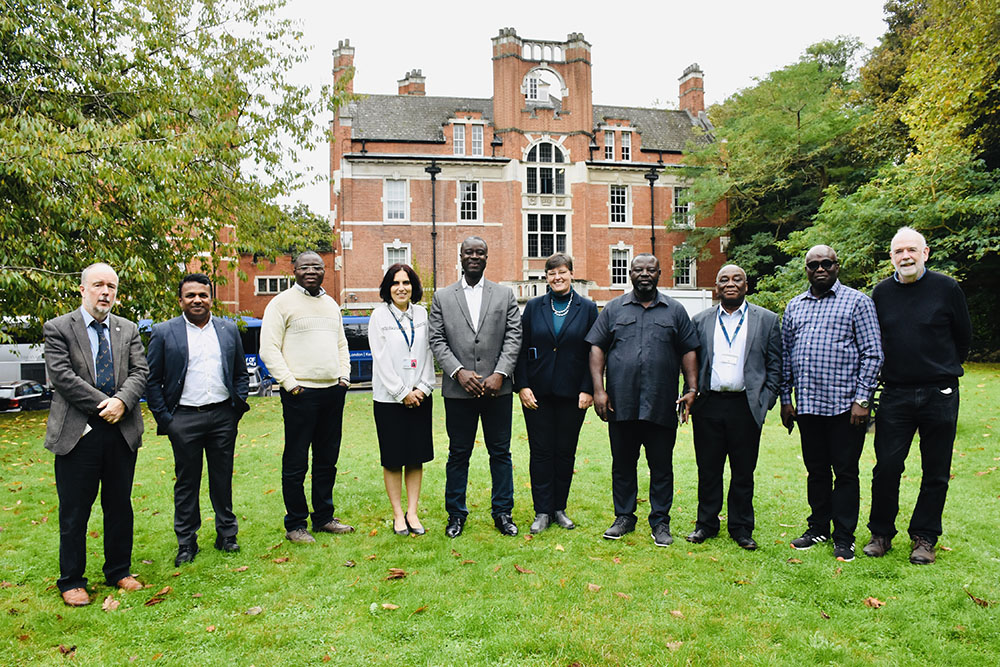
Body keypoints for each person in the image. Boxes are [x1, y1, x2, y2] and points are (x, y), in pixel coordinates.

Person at [863, 227, 972, 564]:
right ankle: (881, 534)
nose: (905, 257)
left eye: (912, 250)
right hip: (895, 394)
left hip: (939, 393)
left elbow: (963, 337)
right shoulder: (880, 294)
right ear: (891, 257)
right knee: (887, 467)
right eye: (899, 252)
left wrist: (942, 369)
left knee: (936, 470)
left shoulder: (946, 288)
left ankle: (924, 538)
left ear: (925, 253)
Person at [43, 263, 149, 606]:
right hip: (79, 433)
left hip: (121, 433)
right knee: (75, 511)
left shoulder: (128, 328)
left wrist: (123, 401)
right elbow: (62, 376)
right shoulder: (59, 328)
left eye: (112, 287)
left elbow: (140, 372)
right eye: (99, 285)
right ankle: (72, 579)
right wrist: (107, 403)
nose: (106, 292)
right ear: (83, 289)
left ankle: (119, 570)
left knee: (119, 506)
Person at [586, 253, 699, 547]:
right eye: (638, 269)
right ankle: (624, 517)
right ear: (630, 273)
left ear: (660, 273)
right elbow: (597, 348)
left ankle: (660, 522)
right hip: (620, 403)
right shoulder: (613, 310)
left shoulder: (674, 311)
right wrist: (599, 390)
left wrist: (692, 387)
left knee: (661, 465)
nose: (644, 274)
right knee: (623, 463)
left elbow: (688, 350)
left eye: (651, 269)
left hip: (661, 403)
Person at [780, 245, 883, 562]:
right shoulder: (795, 306)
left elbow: (873, 353)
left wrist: (862, 400)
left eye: (826, 263)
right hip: (808, 406)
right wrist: (786, 399)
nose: (820, 268)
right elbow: (786, 356)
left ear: (837, 266)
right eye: (813, 265)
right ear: (806, 270)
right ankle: (818, 527)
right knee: (816, 471)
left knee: (846, 473)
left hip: (845, 408)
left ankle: (844, 536)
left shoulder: (857, 302)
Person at [146, 274, 251, 566]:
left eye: (202, 295)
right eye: (190, 295)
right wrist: (167, 420)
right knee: (187, 483)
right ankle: (186, 542)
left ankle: (226, 535)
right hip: (183, 418)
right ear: (180, 300)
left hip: (222, 417)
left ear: (211, 298)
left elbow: (240, 373)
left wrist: (236, 409)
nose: (197, 300)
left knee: (222, 479)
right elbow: (151, 380)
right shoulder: (164, 332)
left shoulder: (228, 330)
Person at [429, 236, 522, 538]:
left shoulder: (504, 295)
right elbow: (437, 340)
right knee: (458, 454)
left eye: (480, 252)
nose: (474, 256)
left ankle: (503, 512)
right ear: (460, 256)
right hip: (459, 392)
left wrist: (500, 373)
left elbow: (513, 337)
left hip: (498, 390)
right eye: (469, 252)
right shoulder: (443, 297)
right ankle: (456, 514)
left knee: (501, 453)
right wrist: (457, 372)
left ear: (486, 257)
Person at [259, 251, 355, 543]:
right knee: (297, 460)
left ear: (325, 270)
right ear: (294, 270)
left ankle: (324, 517)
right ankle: (295, 524)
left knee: (327, 459)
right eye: (305, 266)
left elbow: (341, 344)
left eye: (317, 266)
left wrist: (344, 377)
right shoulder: (281, 303)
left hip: (332, 392)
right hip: (300, 394)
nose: (311, 270)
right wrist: (290, 384)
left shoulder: (330, 305)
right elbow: (268, 349)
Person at [686, 264, 782, 551]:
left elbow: (776, 365)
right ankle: (706, 524)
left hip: (746, 405)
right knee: (708, 468)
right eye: (724, 279)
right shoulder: (701, 320)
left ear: (746, 285)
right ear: (716, 287)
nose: (730, 283)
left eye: (736, 279)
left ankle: (741, 528)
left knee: (743, 471)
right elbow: (690, 364)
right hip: (709, 404)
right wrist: (689, 394)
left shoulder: (766, 320)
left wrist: (766, 400)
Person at [514, 253, 598, 534]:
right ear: (546, 277)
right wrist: (522, 385)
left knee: (565, 453)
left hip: (573, 395)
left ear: (571, 274)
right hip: (536, 394)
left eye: (562, 272)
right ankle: (541, 511)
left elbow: (594, 352)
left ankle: (559, 508)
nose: (557, 277)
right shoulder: (535, 307)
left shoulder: (587, 308)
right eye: (551, 274)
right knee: (540, 453)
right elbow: (522, 348)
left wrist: (588, 388)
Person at [368, 264, 436, 537]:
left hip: (420, 396)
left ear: (413, 286)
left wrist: (423, 387)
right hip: (389, 400)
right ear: (388, 287)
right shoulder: (378, 316)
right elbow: (381, 360)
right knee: (394, 459)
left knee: (416, 457)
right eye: (395, 283)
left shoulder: (421, 313)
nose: (401, 288)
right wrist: (401, 392)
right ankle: (398, 514)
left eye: (406, 282)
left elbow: (429, 352)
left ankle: (412, 512)